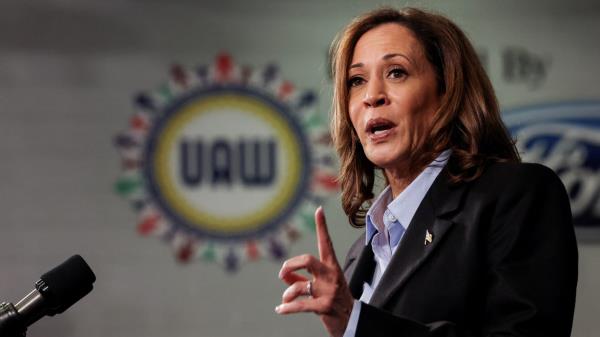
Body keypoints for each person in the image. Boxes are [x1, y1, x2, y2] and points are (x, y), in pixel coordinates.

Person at [276, 7, 578, 337]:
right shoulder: (358, 255)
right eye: (357, 80)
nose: (372, 96)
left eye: (396, 73)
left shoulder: (517, 196)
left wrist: (358, 322)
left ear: (447, 90)